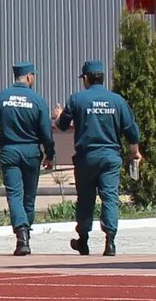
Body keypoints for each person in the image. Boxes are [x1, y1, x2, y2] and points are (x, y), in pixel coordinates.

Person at [55, 59, 145, 257]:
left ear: (86, 78)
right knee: (110, 197)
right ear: (102, 78)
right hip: (110, 157)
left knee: (85, 199)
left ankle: (84, 241)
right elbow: (131, 130)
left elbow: (61, 125)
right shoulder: (117, 100)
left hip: (87, 157)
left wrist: (58, 114)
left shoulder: (78, 99)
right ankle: (110, 242)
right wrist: (134, 152)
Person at [0, 60, 56, 257]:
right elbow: (46, 132)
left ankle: (21, 235)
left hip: (10, 152)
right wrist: (50, 154)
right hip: (31, 153)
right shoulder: (37, 100)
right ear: (29, 77)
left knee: (15, 195)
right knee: (29, 198)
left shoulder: (0, 98)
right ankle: (25, 234)